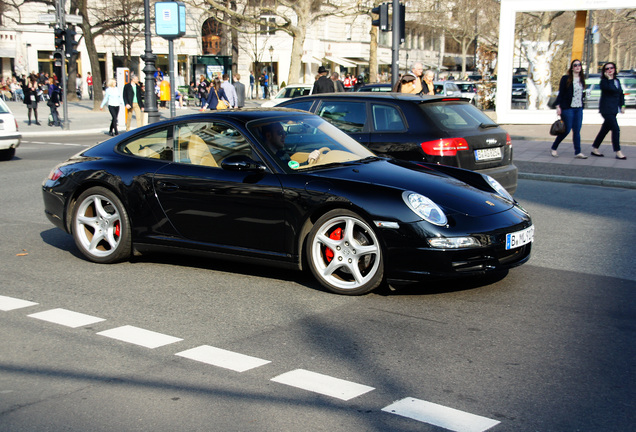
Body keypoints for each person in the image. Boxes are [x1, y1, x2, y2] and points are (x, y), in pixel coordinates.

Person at [550, 59, 587, 159]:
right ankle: (554, 147)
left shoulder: (581, 79)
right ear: (572, 67)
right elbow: (561, 93)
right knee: (566, 130)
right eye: (575, 65)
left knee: (577, 131)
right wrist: (558, 106)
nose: (577, 67)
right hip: (568, 108)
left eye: (579, 65)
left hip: (578, 108)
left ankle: (578, 152)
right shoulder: (566, 78)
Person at [590, 62, 627, 160]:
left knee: (605, 130)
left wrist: (622, 105)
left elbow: (620, 94)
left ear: (615, 69)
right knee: (616, 129)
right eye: (607, 69)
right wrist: (609, 79)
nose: (610, 70)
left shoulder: (617, 81)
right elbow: (611, 90)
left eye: (612, 68)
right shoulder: (604, 82)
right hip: (606, 110)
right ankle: (618, 151)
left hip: (614, 109)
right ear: (604, 71)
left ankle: (595, 148)